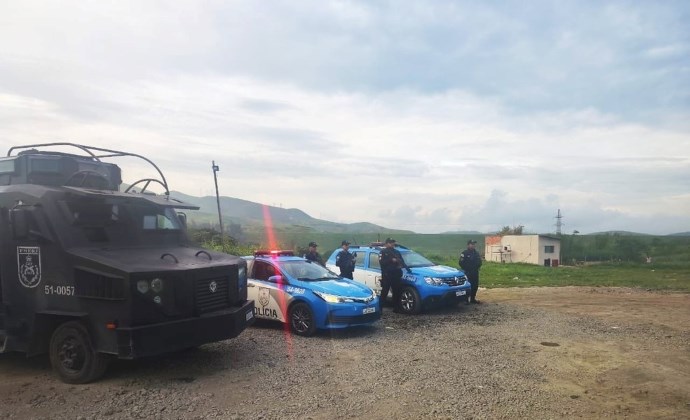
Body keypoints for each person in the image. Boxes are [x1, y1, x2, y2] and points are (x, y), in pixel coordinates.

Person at [379, 238, 411, 312]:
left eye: (393, 242)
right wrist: (391, 260)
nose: (392, 244)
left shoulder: (397, 252)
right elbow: (381, 263)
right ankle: (379, 308)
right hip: (387, 275)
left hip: (396, 274)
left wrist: (401, 265)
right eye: (391, 243)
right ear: (387, 243)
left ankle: (396, 308)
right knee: (384, 292)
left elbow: (402, 261)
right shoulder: (383, 252)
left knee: (396, 292)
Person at [459, 239, 483, 304]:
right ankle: (466, 300)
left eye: (474, 244)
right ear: (468, 245)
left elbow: (479, 262)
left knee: (475, 285)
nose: (473, 245)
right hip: (467, 272)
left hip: (475, 272)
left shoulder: (476, 253)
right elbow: (461, 263)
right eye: (472, 244)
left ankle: (473, 299)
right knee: (467, 286)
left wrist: (477, 267)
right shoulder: (464, 253)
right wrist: (467, 268)